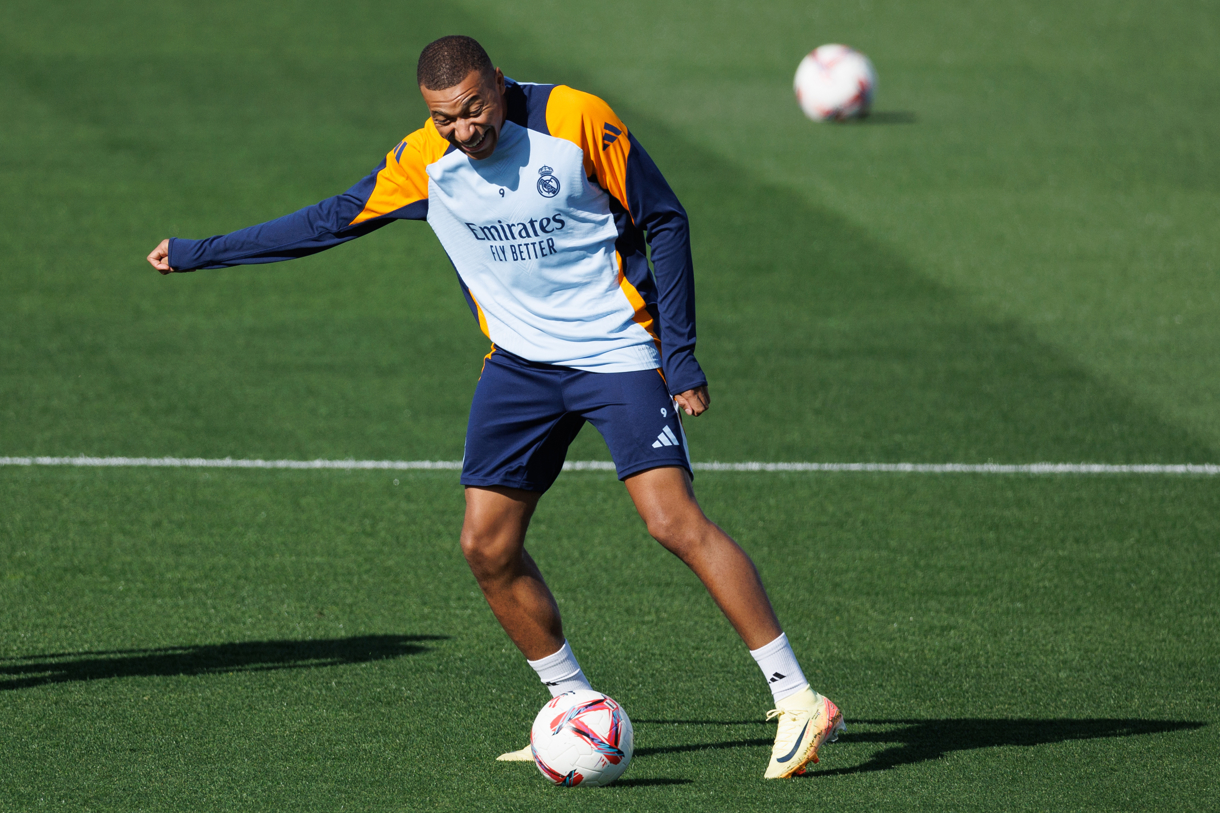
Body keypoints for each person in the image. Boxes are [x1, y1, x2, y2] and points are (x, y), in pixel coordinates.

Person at [146, 35, 843, 778]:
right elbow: (326, 222)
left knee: (671, 520)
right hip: (520, 366)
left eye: (473, 109)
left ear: (499, 85)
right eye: (445, 118)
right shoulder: (423, 163)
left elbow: (665, 218)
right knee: (486, 545)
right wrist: (201, 251)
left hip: (618, 351)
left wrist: (680, 354)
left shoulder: (574, 119)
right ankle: (571, 702)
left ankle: (798, 697)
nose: (462, 129)